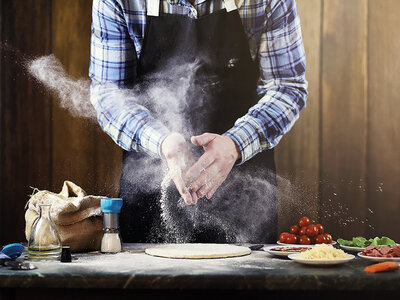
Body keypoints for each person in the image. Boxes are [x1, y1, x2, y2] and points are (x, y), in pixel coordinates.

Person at [89, 0, 308, 243]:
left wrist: (236, 144)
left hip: (244, 190)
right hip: (151, 184)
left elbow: (287, 87)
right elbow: (109, 95)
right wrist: (162, 142)